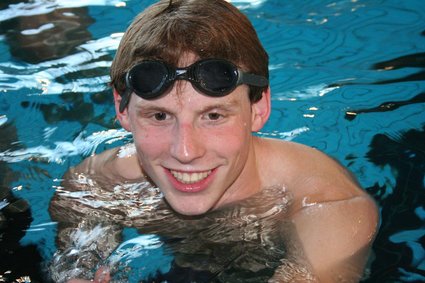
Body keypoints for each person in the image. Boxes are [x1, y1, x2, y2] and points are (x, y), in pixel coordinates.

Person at [49, 0, 379, 282]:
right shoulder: (96, 185)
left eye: (214, 116)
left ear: (259, 107)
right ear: (122, 112)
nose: (186, 152)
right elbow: (77, 256)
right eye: (160, 116)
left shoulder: (330, 212)